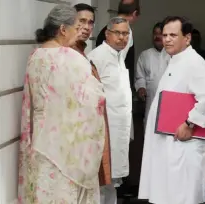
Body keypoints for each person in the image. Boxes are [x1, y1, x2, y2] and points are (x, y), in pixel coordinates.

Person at [18, 5, 106, 203]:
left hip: (40, 140)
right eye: (76, 27)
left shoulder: (35, 56)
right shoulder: (71, 59)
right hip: (67, 148)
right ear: (63, 29)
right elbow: (95, 100)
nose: (79, 32)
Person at [138, 16, 205, 204]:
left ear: (187, 38)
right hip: (168, 142)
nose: (167, 39)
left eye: (173, 35)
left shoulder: (193, 61)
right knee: (168, 193)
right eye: (165, 35)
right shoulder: (174, 59)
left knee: (181, 195)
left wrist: (189, 123)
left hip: (182, 141)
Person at [88, 17, 133, 204]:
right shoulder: (97, 57)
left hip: (120, 127)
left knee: (111, 181)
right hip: (104, 129)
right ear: (107, 34)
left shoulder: (119, 56)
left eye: (125, 33)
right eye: (118, 33)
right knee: (101, 179)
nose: (122, 37)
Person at [72, 3, 112, 187]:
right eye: (82, 21)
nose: (87, 27)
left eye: (90, 22)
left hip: (88, 135)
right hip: (73, 138)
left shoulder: (82, 53)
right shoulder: (63, 54)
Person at [134, 22, 168, 124]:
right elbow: (140, 77)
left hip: (169, 100)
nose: (157, 37)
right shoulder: (145, 55)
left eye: (160, 34)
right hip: (151, 99)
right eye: (155, 33)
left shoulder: (173, 54)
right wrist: (141, 88)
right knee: (150, 125)